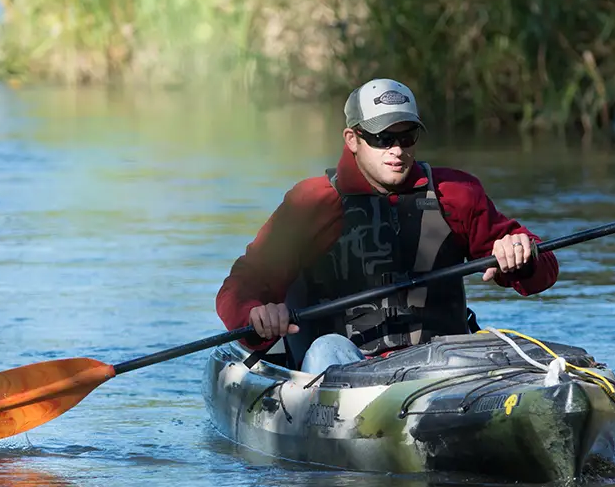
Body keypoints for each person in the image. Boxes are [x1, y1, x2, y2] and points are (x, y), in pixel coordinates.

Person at [217, 78, 559, 372]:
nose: (397, 150)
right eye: (382, 138)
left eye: (407, 137)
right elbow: (240, 286)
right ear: (352, 139)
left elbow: (542, 267)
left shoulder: (456, 193)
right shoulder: (311, 203)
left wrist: (521, 254)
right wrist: (256, 316)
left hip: (439, 367)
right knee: (326, 348)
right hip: (338, 373)